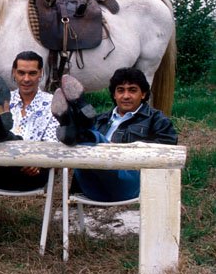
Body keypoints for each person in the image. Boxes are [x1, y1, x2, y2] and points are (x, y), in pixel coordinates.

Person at [52, 68, 178, 201]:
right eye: (120, 90)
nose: (126, 96)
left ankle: (73, 121)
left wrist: (118, 149)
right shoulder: (101, 119)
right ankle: (78, 124)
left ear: (143, 94)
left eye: (132, 90)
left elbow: (167, 150)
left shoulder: (156, 119)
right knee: (89, 140)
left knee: (92, 137)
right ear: (114, 95)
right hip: (91, 186)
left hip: (128, 184)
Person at [0, 51, 59, 191]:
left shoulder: (52, 103)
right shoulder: (5, 98)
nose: (26, 79)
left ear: (41, 73)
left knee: (1, 134)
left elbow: (52, 141)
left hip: (32, 173)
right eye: (21, 73)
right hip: (0, 169)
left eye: (32, 73)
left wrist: (38, 160)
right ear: (14, 73)